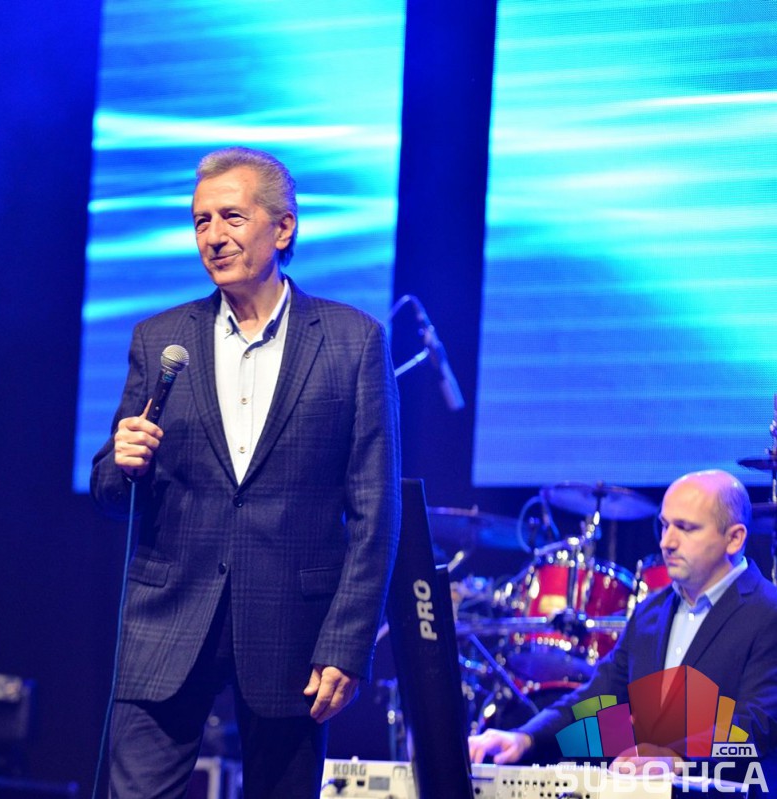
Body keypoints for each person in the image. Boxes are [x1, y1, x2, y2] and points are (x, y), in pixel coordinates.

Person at [90, 146, 401, 797]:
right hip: (167, 616)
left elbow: (376, 508)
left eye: (231, 216)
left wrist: (348, 642)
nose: (212, 236)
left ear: (282, 228)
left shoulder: (353, 341)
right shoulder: (160, 338)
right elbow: (113, 490)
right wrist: (121, 461)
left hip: (292, 625)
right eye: (200, 221)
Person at [469, 469, 777, 791]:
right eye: (665, 525)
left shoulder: (768, 613)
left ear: (734, 538)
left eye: (686, 528)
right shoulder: (649, 612)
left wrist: (677, 758)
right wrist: (526, 737)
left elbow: (757, 726)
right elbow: (598, 696)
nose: (667, 542)